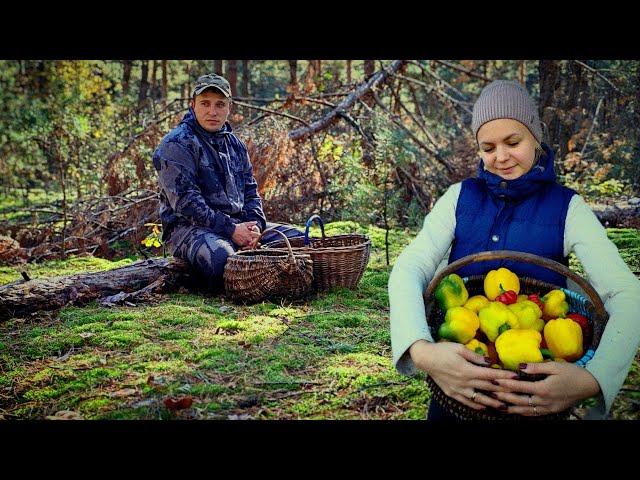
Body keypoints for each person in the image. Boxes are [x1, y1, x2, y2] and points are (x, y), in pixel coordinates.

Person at [388, 79, 640, 420]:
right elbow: (409, 269)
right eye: (487, 147)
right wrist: (421, 351)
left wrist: (593, 378)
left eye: (513, 141)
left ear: (535, 137)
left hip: (536, 400)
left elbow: (627, 293)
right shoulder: (459, 198)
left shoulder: (568, 208)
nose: (501, 157)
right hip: (459, 399)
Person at [153, 73, 303, 291]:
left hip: (239, 226)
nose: (212, 111)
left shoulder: (235, 145)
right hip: (190, 229)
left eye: (220, 104)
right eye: (205, 103)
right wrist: (232, 230)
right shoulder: (176, 144)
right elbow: (187, 203)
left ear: (229, 107)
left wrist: (255, 228)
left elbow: (251, 193)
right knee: (223, 260)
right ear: (193, 105)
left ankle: (268, 280)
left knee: (301, 241)